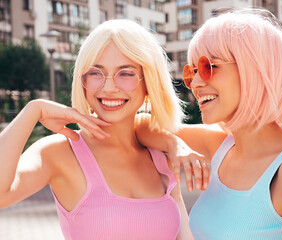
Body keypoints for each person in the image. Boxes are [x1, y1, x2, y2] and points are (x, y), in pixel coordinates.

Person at [0, 19, 193, 240]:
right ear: (82, 81)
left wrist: (174, 144)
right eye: (95, 73)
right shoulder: (60, 152)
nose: (109, 87)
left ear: (149, 83)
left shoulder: (160, 158)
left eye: (126, 73)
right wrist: (32, 111)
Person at [136, 9, 282, 239]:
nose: (194, 83)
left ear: (253, 69)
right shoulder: (222, 145)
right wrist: (176, 146)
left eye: (208, 67)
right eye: (190, 72)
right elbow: (139, 126)